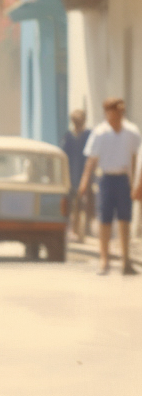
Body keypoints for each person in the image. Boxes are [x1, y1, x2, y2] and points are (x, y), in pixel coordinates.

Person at [80, 97, 141, 275]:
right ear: (107, 113)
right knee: (104, 220)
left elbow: (137, 157)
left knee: (124, 220)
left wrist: (136, 182)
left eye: (120, 111)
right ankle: (104, 259)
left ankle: (125, 260)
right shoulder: (100, 133)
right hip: (106, 179)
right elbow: (91, 160)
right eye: (113, 112)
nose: (116, 115)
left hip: (123, 179)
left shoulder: (131, 131)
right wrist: (84, 182)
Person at [62, 108, 93, 242]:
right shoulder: (68, 136)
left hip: (85, 171)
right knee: (72, 201)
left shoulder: (89, 135)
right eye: (75, 121)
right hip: (71, 171)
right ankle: (73, 229)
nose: (78, 124)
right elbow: (64, 154)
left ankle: (87, 228)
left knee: (86, 201)